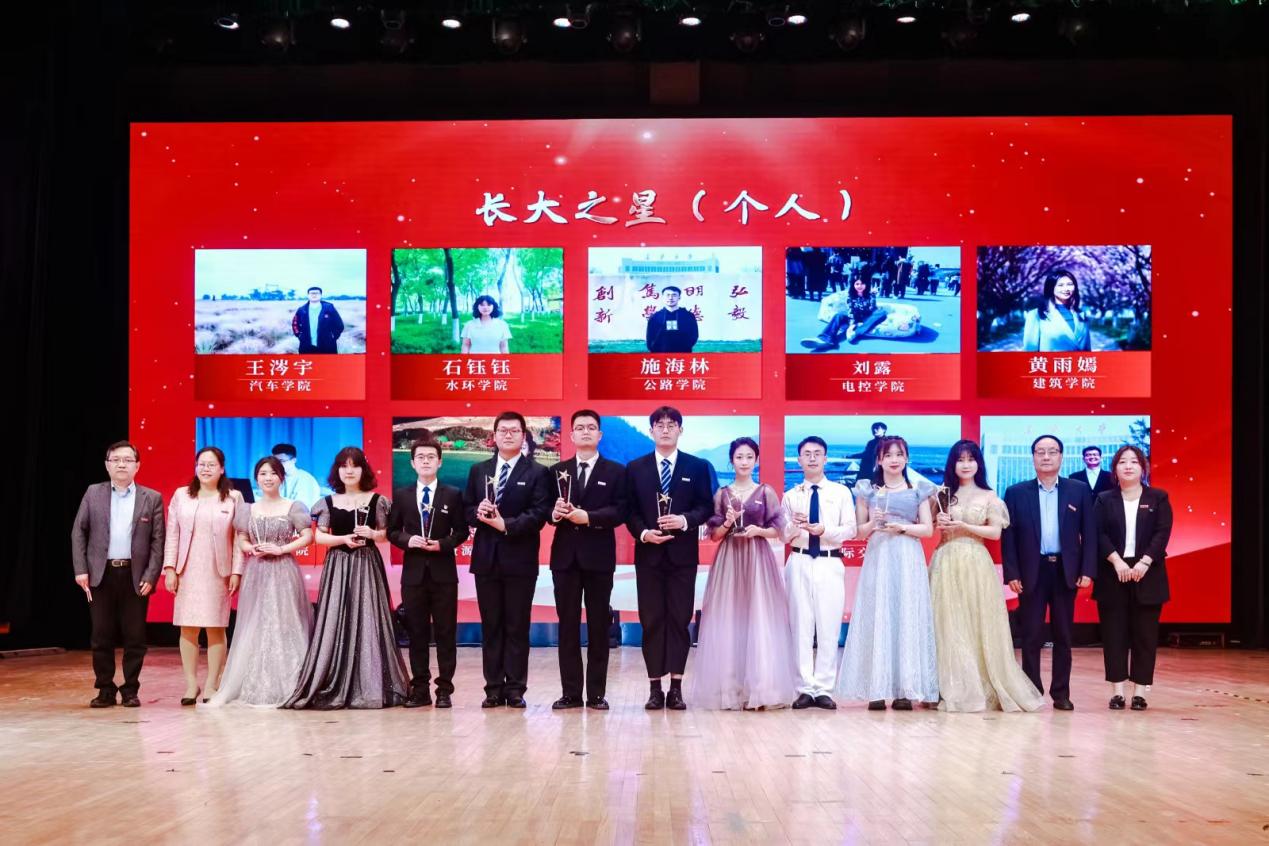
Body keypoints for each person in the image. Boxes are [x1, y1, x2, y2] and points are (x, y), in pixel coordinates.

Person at [284, 447, 409, 709]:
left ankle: (371, 683)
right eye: (344, 466)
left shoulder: (378, 501)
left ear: (363, 470)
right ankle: (334, 680)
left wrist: (372, 534)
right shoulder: (328, 502)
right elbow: (319, 536)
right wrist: (343, 539)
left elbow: (385, 535)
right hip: (338, 566)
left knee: (369, 617)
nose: (349, 471)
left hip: (367, 564)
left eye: (354, 465)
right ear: (337, 471)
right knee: (335, 617)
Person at [928, 441, 1044, 713]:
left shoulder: (990, 496)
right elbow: (929, 526)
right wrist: (938, 522)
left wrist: (964, 525)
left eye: (971, 459)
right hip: (945, 560)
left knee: (978, 622)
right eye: (960, 460)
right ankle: (946, 687)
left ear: (978, 464)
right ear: (952, 464)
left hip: (976, 562)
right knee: (946, 623)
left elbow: (994, 533)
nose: (965, 464)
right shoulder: (942, 494)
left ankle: (981, 685)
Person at [689, 438, 794, 710]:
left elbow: (779, 530)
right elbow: (714, 535)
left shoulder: (766, 492)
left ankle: (761, 688)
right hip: (730, 559)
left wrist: (759, 531)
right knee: (729, 619)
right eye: (739, 457)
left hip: (758, 558)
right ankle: (729, 688)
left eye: (749, 457)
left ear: (756, 460)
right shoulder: (722, 494)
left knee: (759, 618)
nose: (744, 462)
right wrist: (726, 523)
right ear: (731, 460)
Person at [835, 437, 939, 710]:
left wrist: (903, 528)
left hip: (907, 555)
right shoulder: (867, 490)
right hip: (879, 554)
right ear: (879, 460)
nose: (894, 460)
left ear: (906, 459)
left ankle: (905, 689)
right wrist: (874, 522)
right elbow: (859, 532)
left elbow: (927, 529)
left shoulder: (918, 490)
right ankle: (876, 688)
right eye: (888, 455)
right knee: (877, 614)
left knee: (906, 615)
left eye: (899, 454)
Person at [624, 406, 716, 710]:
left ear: (680, 430)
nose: (665, 429)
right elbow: (629, 511)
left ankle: (676, 687)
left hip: (682, 557)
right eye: (660, 425)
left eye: (671, 424)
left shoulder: (697, 466)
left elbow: (706, 507)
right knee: (651, 621)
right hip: (648, 555)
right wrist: (643, 533)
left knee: (679, 619)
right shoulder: (635, 468)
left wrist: (685, 520)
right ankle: (655, 688)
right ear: (651, 430)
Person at [463, 412, 553, 708]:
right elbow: (465, 510)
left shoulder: (537, 472)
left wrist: (506, 525)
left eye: (514, 430)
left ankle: (515, 689)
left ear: (523, 436)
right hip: (486, 560)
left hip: (520, 560)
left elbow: (539, 515)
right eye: (503, 430)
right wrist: (477, 512)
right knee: (491, 626)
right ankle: (492, 688)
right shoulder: (479, 470)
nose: (508, 435)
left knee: (516, 626)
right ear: (494, 436)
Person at [207, 456, 314, 707]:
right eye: (263, 474)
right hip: (257, 571)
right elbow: (241, 538)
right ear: (256, 478)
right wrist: (250, 548)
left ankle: (292, 684)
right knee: (255, 623)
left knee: (286, 622)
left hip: (284, 570)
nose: (268, 478)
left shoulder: (293, 506)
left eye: (273, 473)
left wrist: (282, 549)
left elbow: (307, 536)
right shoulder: (248, 509)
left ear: (281, 478)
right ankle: (254, 683)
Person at [1002, 435, 1097, 710]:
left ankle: (1061, 693)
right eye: (1040, 452)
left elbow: (1089, 533)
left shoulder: (1078, 490)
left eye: (1052, 452)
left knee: (1063, 635)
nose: (1046, 457)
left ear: (1061, 457)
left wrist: (1087, 569)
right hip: (1031, 571)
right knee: (1031, 635)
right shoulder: (1016, 492)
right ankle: (1032, 692)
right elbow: (1009, 538)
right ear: (1033, 457)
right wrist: (1012, 573)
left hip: (1065, 571)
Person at [70, 441, 165, 708]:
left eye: (127, 460)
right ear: (107, 465)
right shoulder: (93, 492)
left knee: (135, 637)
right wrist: (81, 569)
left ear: (137, 466)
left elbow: (158, 541)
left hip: (136, 577)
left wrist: (151, 575)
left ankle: (130, 689)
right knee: (101, 635)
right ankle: (105, 689)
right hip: (100, 575)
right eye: (116, 460)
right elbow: (79, 532)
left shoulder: (151, 497)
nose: (121, 464)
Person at [547, 410, 628, 710]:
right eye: (579, 427)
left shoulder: (616, 472)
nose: (585, 432)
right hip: (565, 560)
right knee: (567, 626)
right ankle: (570, 693)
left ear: (599, 435)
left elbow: (620, 511)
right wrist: (555, 514)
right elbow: (545, 511)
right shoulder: (556, 471)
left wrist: (589, 517)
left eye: (591, 427)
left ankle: (596, 694)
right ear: (571, 435)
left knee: (598, 627)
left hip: (599, 559)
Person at [388, 438, 468, 709]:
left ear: (439, 462)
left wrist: (443, 544)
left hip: (444, 574)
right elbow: (392, 531)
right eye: (420, 457)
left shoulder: (453, 494)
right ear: (412, 463)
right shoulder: (401, 494)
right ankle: (420, 688)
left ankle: (444, 689)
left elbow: (462, 531)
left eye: (431, 456)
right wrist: (407, 540)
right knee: (417, 634)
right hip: (413, 575)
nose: (425, 461)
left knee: (446, 633)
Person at [162, 446, 244, 706]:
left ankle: (212, 683)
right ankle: (190, 684)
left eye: (211, 464)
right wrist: (170, 568)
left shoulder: (233, 498)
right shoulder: (181, 495)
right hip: (187, 570)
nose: (205, 469)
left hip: (218, 571)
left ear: (222, 468)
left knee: (215, 626)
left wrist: (237, 571)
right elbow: (172, 534)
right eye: (201, 464)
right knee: (187, 627)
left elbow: (240, 537)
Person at [1094, 445, 1173, 711]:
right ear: (1114, 469)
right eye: (1122, 462)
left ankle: (1140, 692)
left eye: (1134, 462)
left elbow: (1162, 533)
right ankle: (1117, 691)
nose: (1128, 466)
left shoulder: (1158, 497)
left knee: (1145, 635)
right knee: (1113, 634)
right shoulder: (1104, 499)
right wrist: (1116, 561)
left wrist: (1145, 562)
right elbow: (1098, 533)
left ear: (1143, 467)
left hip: (1147, 573)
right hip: (1112, 571)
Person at [781, 436, 857, 710]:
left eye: (817, 453)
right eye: (807, 454)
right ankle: (804, 688)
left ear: (825, 459)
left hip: (829, 561)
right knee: (800, 625)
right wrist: (794, 525)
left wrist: (825, 530)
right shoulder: (791, 495)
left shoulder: (841, 492)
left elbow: (851, 529)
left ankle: (824, 688)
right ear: (799, 460)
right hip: (799, 560)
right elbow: (783, 535)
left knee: (829, 626)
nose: (812, 458)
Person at [801, 277, 888, 353]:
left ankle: (857, 332)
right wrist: (852, 325)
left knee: (882, 312)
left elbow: (871, 309)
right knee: (839, 315)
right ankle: (825, 339)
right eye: (857, 284)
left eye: (862, 284)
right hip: (853, 318)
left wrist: (871, 297)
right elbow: (851, 310)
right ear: (854, 285)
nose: (859, 286)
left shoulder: (870, 295)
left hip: (867, 318)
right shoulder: (851, 296)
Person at [1021, 268, 1092, 352]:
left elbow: (1087, 350)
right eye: (1060, 285)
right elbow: (1029, 351)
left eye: (1070, 284)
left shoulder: (1081, 315)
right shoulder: (1036, 315)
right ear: (1051, 288)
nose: (1066, 289)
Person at [291, 286, 345, 354]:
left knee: (328, 361)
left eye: (316, 293)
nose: (314, 295)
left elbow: (339, 324)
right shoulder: (302, 309)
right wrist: (299, 335)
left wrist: (333, 337)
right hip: (307, 346)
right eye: (311, 293)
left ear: (321, 295)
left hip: (327, 345)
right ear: (308, 295)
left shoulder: (329, 308)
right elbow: (295, 324)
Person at [645, 286, 699, 353]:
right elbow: (649, 337)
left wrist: (685, 347)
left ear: (679, 297)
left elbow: (694, 335)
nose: (670, 298)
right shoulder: (655, 317)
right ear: (663, 297)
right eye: (668, 295)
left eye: (674, 295)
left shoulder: (688, 316)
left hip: (683, 353)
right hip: (659, 354)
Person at [271, 443, 323, 507]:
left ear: (293, 460)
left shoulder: (305, 479)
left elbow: (302, 508)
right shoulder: (278, 478)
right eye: (275, 461)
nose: (277, 464)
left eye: (281, 461)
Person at [849, 422, 888, 486]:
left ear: (884, 430)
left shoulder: (887, 442)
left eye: (877, 428)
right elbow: (866, 454)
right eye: (873, 428)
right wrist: (851, 456)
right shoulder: (871, 442)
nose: (874, 430)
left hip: (878, 470)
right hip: (867, 470)